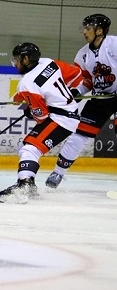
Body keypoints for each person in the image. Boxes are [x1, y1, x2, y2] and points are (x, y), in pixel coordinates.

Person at [0, 42, 81, 200]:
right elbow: (76, 74)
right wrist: (65, 93)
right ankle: (26, 182)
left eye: (17, 59)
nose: (14, 63)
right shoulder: (48, 62)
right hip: (69, 113)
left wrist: (30, 110)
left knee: (29, 149)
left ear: (26, 59)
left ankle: (25, 185)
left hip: (61, 118)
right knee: (29, 147)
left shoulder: (26, 83)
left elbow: (41, 116)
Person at [46, 14, 117, 188]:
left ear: (99, 31)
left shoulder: (114, 44)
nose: (84, 31)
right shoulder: (83, 54)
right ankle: (58, 173)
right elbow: (86, 80)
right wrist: (77, 91)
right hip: (99, 98)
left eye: (88, 28)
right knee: (78, 136)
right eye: (84, 28)